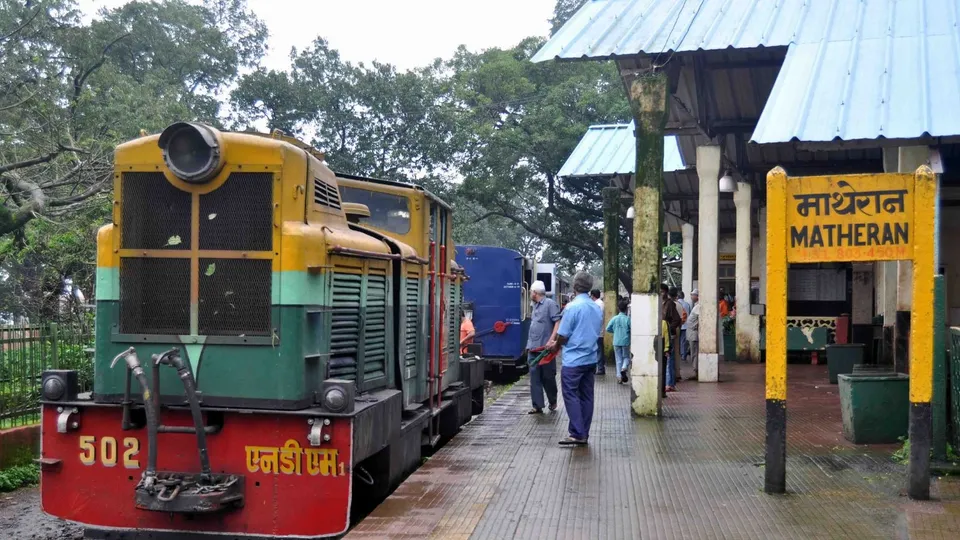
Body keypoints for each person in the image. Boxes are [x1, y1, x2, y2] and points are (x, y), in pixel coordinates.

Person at [549, 272, 602, 446]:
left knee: (571, 395)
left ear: (574, 286)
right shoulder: (596, 307)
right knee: (587, 396)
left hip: (573, 360)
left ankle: (577, 433)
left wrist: (555, 346)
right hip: (590, 358)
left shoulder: (572, 307)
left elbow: (563, 335)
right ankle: (582, 432)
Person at [526, 280, 561, 414]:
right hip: (533, 347)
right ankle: (537, 406)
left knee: (548, 377)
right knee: (534, 377)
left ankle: (552, 401)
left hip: (545, 349)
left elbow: (557, 322)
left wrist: (552, 340)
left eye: (530, 292)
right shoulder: (534, 305)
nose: (530, 294)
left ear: (535, 293)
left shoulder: (550, 304)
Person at [661, 283, 682, 392]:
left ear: (666, 292)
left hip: (669, 335)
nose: (660, 294)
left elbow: (677, 319)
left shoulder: (670, 304)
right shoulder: (660, 303)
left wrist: (669, 328)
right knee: (665, 360)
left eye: (662, 291)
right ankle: (667, 382)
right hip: (662, 336)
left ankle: (670, 383)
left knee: (669, 359)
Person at [605, 298, 631, 384]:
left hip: (616, 341)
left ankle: (619, 377)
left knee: (618, 359)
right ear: (626, 309)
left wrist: (615, 331)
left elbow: (608, 328)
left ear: (618, 308)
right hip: (625, 341)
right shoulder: (627, 319)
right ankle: (624, 368)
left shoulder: (614, 318)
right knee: (626, 357)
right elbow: (632, 329)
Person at [590, 289, 605, 375]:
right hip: (599, 331)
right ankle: (600, 368)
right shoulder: (600, 303)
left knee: (598, 350)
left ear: (592, 295)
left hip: (597, 331)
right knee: (598, 350)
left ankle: (600, 368)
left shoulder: (597, 304)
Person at [686, 289, 700, 380]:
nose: (691, 297)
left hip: (694, 333)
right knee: (693, 353)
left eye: (692, 295)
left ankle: (696, 371)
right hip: (691, 333)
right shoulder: (695, 305)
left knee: (694, 353)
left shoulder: (698, 306)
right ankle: (695, 370)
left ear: (697, 296)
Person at [677, 291, 691, 362]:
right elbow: (689, 315)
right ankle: (683, 355)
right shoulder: (687, 304)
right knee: (683, 342)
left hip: (677, 326)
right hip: (685, 326)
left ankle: (678, 355)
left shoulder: (676, 304)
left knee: (677, 341)